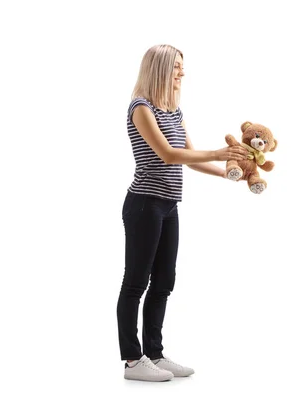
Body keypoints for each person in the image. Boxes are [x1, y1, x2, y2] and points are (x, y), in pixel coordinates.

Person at [116, 44, 249, 382]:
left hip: (168, 206)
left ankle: (155, 353)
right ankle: (133, 360)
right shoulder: (141, 108)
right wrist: (220, 152)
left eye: (182, 66)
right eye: (176, 66)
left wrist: (227, 173)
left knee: (164, 281)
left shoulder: (173, 110)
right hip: (144, 204)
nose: (182, 73)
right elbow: (168, 154)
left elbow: (189, 154)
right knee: (136, 283)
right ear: (160, 68)